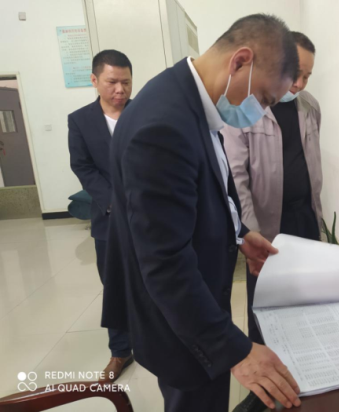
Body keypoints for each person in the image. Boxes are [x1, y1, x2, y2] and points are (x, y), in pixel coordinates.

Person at [101, 14, 302, 412]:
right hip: (181, 326)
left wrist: (239, 234)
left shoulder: (191, 100)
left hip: (198, 304)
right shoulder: (163, 125)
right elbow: (164, 263)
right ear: (240, 61)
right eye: (264, 99)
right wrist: (234, 350)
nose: (261, 112)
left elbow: (207, 186)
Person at [224, 31, 322, 344]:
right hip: (266, 228)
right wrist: (249, 232)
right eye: (296, 73)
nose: (300, 84)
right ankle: (264, 362)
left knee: (306, 297)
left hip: (305, 218)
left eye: (307, 76)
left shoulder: (310, 106)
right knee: (265, 307)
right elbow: (236, 177)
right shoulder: (245, 109)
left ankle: (304, 359)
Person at [68, 50, 134, 382]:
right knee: (115, 286)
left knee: (158, 280)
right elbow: (83, 166)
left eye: (126, 82)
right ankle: (121, 350)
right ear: (95, 80)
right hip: (109, 220)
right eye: (112, 82)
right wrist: (112, 202)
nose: (120, 89)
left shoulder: (145, 111)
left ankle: (161, 340)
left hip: (150, 216)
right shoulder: (80, 120)